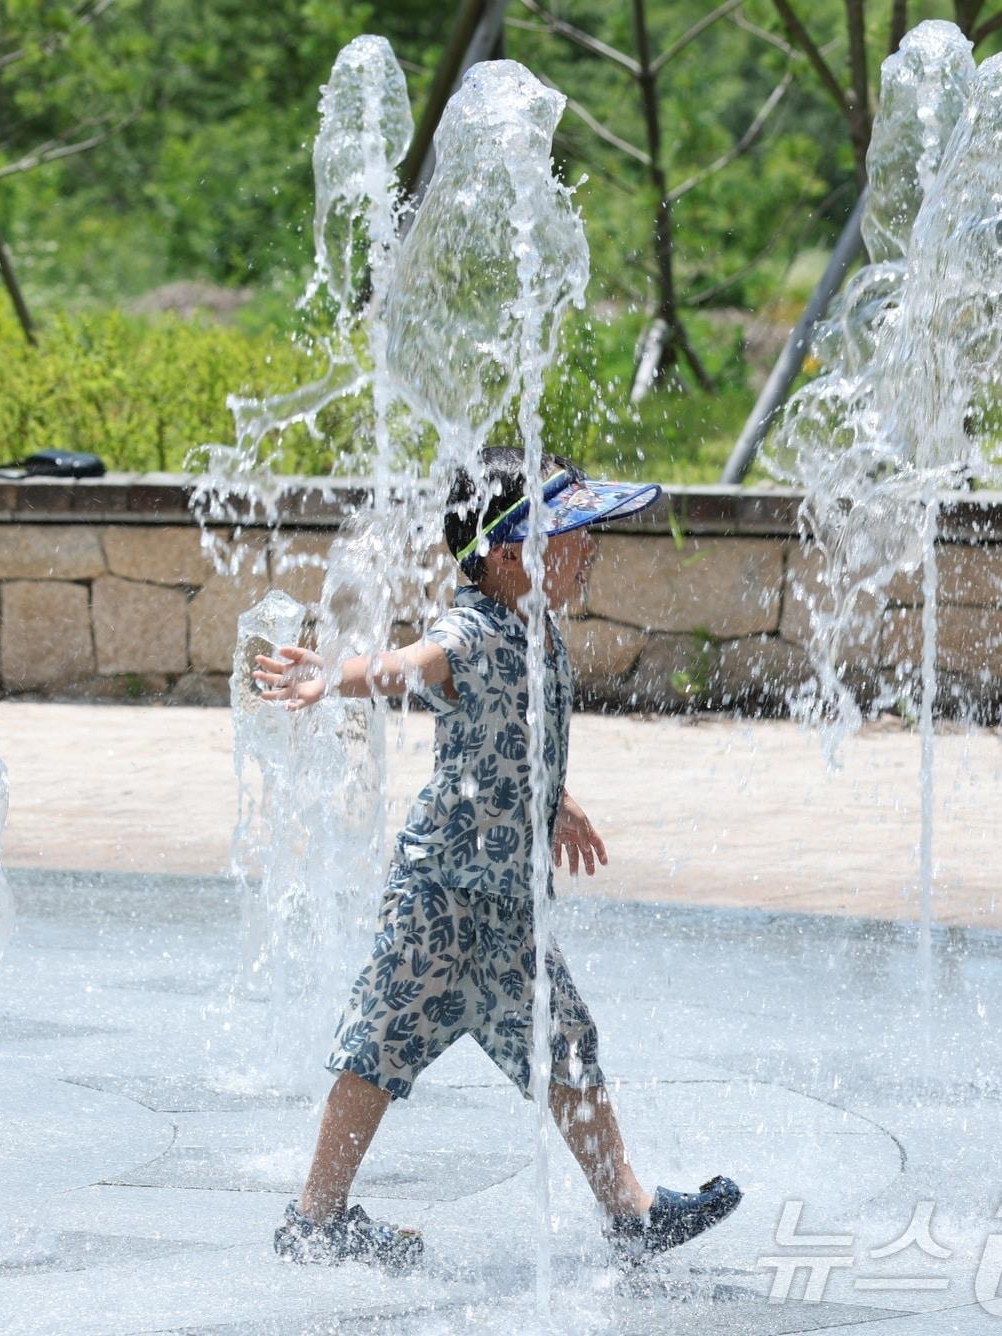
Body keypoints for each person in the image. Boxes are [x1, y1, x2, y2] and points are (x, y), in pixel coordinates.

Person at [253, 446, 742, 1272]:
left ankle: (631, 1210)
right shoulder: (472, 632)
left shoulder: (537, 626)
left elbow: (520, 735)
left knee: (567, 1041)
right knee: (376, 1049)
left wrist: (558, 798)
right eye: (575, 535)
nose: (592, 550)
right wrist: (334, 675)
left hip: (507, 906)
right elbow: (411, 664)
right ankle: (317, 1217)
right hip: (439, 898)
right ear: (512, 553)